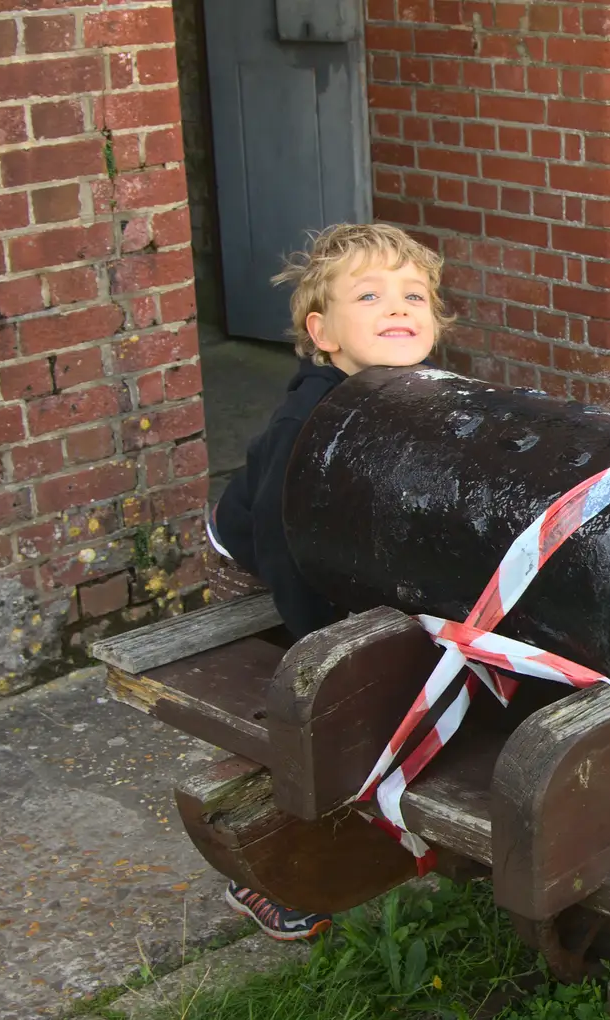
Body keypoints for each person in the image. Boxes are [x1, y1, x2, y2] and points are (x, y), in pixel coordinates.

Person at [207, 223, 452, 939]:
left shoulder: (414, 391)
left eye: (414, 295)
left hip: (337, 545)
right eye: (369, 295)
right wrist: (324, 643)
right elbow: (284, 551)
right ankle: (255, 863)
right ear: (324, 334)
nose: (397, 307)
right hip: (259, 561)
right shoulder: (305, 422)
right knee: (303, 704)